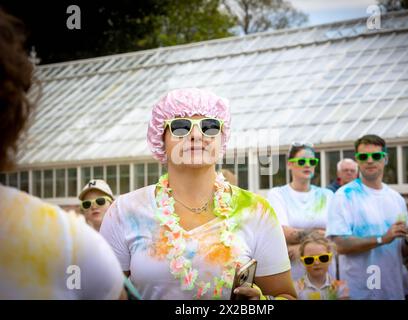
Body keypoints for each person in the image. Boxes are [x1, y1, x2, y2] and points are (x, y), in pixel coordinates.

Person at [100, 88, 297, 300]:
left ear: (221, 139)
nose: (196, 135)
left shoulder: (257, 212)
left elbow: (286, 295)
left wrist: (263, 302)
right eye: (180, 126)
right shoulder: (125, 211)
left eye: (209, 127)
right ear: (161, 139)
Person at [0, 9, 125, 299]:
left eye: (101, 200)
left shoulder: (83, 242)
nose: (94, 206)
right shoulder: (72, 239)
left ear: (114, 203)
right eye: (87, 203)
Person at [326, 134, 408, 299]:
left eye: (376, 156)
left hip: (393, 289)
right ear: (357, 160)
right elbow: (339, 245)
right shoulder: (344, 195)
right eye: (363, 156)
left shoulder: (396, 198)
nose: (370, 160)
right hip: (360, 292)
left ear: (385, 159)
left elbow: (401, 252)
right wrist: (381, 239)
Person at [267, 142, 334, 279]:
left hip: (325, 274)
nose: (307, 165)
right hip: (294, 272)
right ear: (289, 164)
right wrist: (319, 234)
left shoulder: (327, 195)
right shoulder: (277, 194)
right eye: (302, 161)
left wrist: (298, 247)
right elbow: (283, 233)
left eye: (312, 161)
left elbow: (334, 234)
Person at [295, 232, 349, 300]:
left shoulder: (341, 288)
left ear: (330, 258)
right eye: (310, 259)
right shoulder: (295, 290)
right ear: (302, 261)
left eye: (323, 258)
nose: (317, 263)